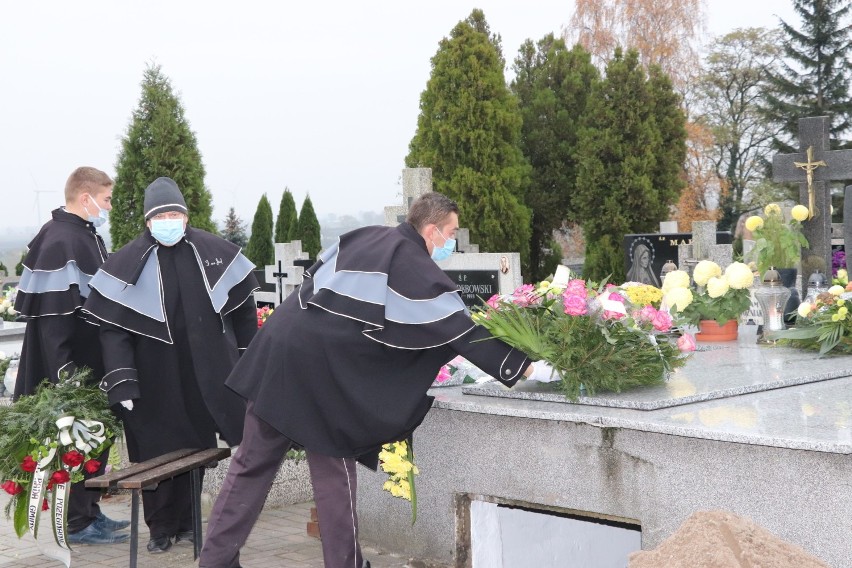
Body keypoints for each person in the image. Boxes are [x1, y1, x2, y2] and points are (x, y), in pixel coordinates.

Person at [199, 192, 547, 568]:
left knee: (250, 465)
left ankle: (214, 560)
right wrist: (526, 367)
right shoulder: (411, 261)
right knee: (335, 478)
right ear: (432, 231)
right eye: (451, 233)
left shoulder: (368, 236)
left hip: (278, 352)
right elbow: (460, 330)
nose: (452, 243)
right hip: (317, 377)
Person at [82, 177, 259, 554]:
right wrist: (123, 382)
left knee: (196, 450)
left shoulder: (213, 251)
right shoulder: (126, 262)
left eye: (174, 213)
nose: (168, 220)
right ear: (148, 222)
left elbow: (243, 310)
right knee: (154, 454)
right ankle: (161, 528)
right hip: (151, 379)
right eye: (160, 215)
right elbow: (113, 332)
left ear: (185, 215)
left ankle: (191, 524)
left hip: (202, 374)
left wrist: (247, 362)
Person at [13, 166, 129, 545]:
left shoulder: (80, 233)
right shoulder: (61, 239)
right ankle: (78, 523)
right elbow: (54, 320)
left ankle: (90, 512)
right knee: (74, 445)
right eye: (106, 199)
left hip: (88, 363)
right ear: (85, 197)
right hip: (69, 367)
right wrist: (67, 379)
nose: (108, 206)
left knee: (92, 442)